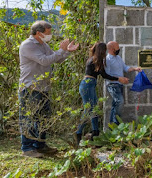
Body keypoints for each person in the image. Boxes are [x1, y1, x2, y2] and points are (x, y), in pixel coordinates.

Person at [19, 20, 79, 158]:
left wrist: (66, 52)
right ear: (39, 33)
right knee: (29, 118)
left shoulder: (43, 44)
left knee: (42, 118)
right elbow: (45, 60)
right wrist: (61, 50)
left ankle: (40, 145)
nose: (50, 35)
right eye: (48, 32)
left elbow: (56, 59)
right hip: (30, 87)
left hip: (43, 87)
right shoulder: (28, 45)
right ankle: (27, 148)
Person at [76, 42, 129, 145]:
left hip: (89, 84)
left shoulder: (94, 59)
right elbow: (105, 75)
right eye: (105, 50)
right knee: (89, 109)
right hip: (87, 84)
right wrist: (119, 78)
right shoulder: (96, 60)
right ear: (102, 50)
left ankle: (95, 132)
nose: (106, 52)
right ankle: (78, 132)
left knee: (93, 108)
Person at [105, 41, 142, 124]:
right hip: (112, 85)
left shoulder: (118, 58)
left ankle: (112, 126)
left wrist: (135, 69)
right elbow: (107, 76)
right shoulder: (107, 60)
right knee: (120, 101)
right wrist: (119, 79)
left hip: (120, 85)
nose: (119, 49)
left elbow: (125, 68)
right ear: (111, 49)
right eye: (117, 48)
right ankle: (116, 123)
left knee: (115, 105)